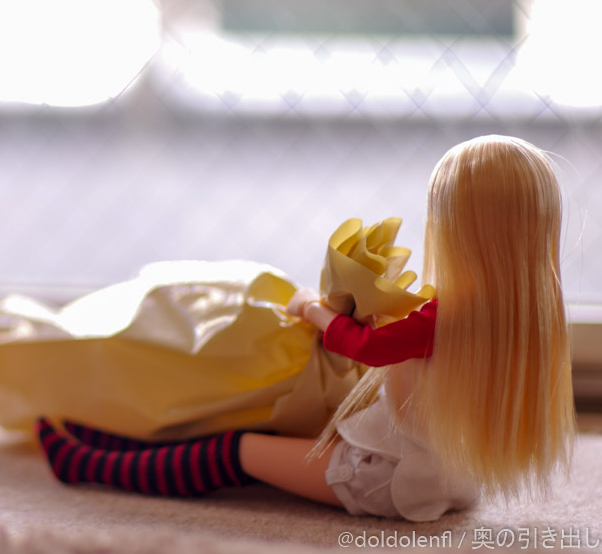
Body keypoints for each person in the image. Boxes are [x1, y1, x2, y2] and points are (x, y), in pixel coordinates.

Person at [36, 134, 576, 521]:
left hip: (385, 477)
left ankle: (89, 463)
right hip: (456, 479)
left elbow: (364, 347)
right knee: (273, 439)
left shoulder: (447, 315)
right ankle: (110, 442)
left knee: (235, 450)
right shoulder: (532, 317)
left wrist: (312, 310)